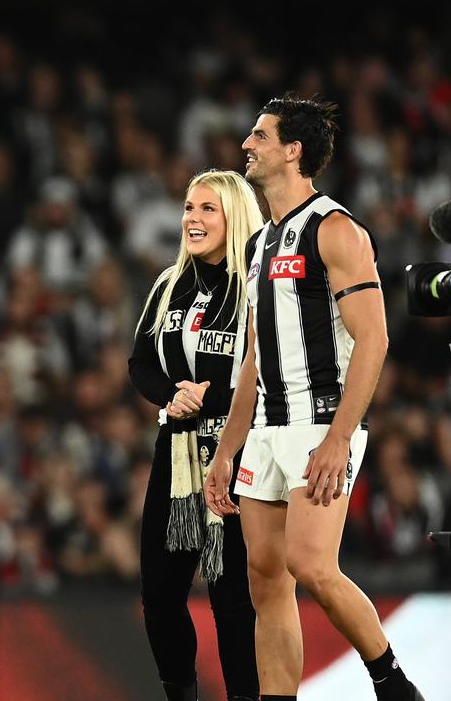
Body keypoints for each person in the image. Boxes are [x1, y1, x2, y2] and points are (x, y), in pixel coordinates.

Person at [205, 96, 425, 701]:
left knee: (311, 564)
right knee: (265, 580)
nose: (247, 145)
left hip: (319, 421)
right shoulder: (258, 245)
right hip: (266, 430)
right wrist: (227, 450)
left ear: (292, 150)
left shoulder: (335, 229)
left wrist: (336, 439)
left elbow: (374, 336)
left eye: (260, 135)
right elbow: (252, 357)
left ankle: (392, 681)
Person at [129, 169, 262, 701]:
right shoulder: (169, 284)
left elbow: (270, 370)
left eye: (208, 209)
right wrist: (171, 394)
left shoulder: (255, 286)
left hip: (237, 450)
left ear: (235, 216)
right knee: (160, 593)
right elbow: (139, 362)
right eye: (188, 208)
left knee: (232, 597)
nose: (193, 219)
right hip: (177, 451)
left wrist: (212, 399)